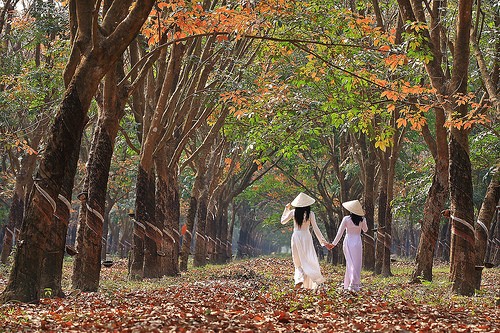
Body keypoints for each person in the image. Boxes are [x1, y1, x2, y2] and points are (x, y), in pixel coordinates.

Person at [281, 192, 334, 289]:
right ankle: (306, 280)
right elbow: (316, 228)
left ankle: (299, 279)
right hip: (306, 237)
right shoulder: (311, 214)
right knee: (308, 259)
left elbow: (283, 221)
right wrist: (324, 242)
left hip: (296, 236)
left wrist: (286, 209)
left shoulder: (293, 212)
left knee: (297, 261)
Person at [330, 199, 368, 292]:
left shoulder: (346, 219)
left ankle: (351, 283)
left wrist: (333, 244)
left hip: (348, 241)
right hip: (357, 241)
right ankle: (352, 284)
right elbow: (366, 230)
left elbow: (340, 232)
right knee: (356, 263)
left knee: (350, 262)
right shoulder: (362, 219)